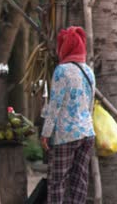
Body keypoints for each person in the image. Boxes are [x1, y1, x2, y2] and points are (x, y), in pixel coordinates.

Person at [40, 26, 96, 204]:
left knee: (57, 182)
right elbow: (89, 105)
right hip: (87, 133)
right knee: (79, 181)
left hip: (66, 135)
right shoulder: (89, 71)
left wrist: (45, 133)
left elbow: (54, 105)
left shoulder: (61, 71)